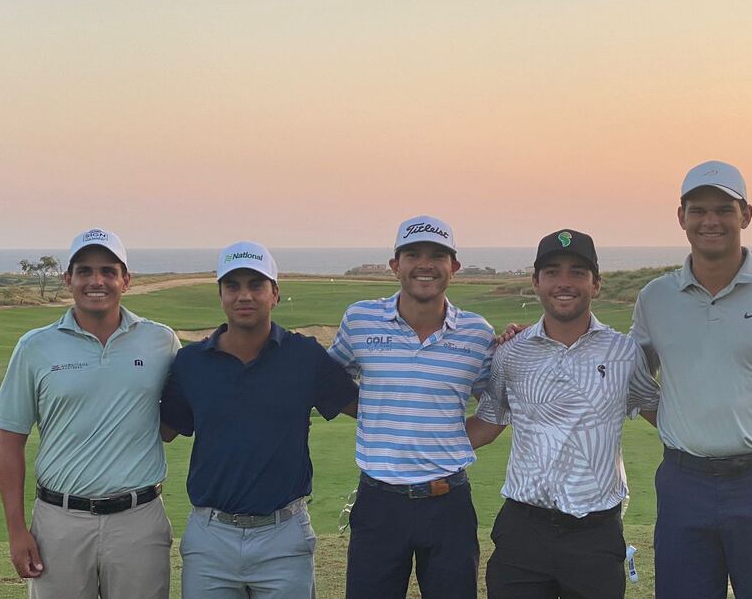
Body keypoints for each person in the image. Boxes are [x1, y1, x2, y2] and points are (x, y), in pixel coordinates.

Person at [631, 160, 752, 598]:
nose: (710, 220)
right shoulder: (655, 298)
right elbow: (635, 380)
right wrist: (681, 418)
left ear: (745, 215)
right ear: (682, 217)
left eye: (723, 209)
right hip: (682, 483)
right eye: (698, 210)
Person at [466, 229, 659, 598]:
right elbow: (489, 423)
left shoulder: (624, 353)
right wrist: (413, 443)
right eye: (552, 272)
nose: (564, 282)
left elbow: (661, 415)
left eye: (577, 272)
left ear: (596, 284)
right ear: (536, 283)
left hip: (595, 535)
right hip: (523, 530)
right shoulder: (510, 353)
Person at [0, 228, 180, 599]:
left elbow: (173, 421)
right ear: (68, 279)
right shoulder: (34, 347)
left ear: (126, 280)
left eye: (108, 271)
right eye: (85, 271)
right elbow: (9, 441)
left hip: (139, 520)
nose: (97, 281)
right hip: (59, 521)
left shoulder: (161, 341)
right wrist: (15, 529)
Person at [159, 240, 359, 598]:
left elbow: (365, 408)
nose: (244, 295)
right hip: (210, 536)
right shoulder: (191, 363)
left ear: (275, 294)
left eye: (256, 285)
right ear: (220, 295)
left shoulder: (304, 356)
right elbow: (163, 430)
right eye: (233, 286)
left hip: (283, 535)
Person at [328, 215, 496, 599]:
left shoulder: (477, 332)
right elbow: (330, 381)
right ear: (395, 266)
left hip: (448, 504)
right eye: (413, 254)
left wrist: (450, 441)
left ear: (453, 266)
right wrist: (376, 410)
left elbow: (495, 408)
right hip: (378, 504)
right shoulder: (360, 320)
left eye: (437, 255)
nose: (425, 264)